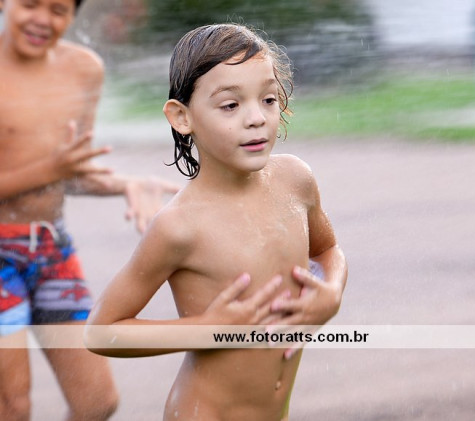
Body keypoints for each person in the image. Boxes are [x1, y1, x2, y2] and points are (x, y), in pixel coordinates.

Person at [85, 23, 348, 421]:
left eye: (268, 99)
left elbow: (327, 250)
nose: (256, 118)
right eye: (230, 105)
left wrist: (331, 292)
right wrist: (209, 327)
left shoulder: (296, 181)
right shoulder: (180, 226)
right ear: (182, 117)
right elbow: (102, 331)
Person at [0, 0, 179, 420]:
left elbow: (72, 173)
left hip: (50, 248)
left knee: (96, 402)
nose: (42, 19)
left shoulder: (83, 69)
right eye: (30, 4)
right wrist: (52, 169)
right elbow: (56, 169)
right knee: (13, 404)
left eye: (58, 10)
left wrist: (126, 183)